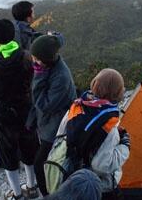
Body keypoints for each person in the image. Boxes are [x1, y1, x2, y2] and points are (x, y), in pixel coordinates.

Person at [0, 19, 40, 200]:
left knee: (8, 154)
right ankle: (32, 187)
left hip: (3, 115)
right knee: (29, 149)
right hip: (26, 111)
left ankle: (17, 194)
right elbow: (34, 79)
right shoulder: (26, 56)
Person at [56, 68, 130, 200]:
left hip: (72, 177)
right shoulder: (109, 127)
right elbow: (101, 165)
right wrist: (124, 146)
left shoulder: (76, 108)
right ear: (117, 93)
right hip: (100, 187)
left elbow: (61, 139)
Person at [27, 34, 77, 196]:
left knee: (40, 164)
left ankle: (48, 195)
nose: (33, 61)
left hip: (56, 126)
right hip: (48, 123)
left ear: (45, 60)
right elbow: (56, 39)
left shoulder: (60, 76)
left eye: (36, 58)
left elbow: (44, 105)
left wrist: (39, 75)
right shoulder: (50, 64)